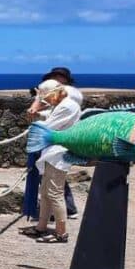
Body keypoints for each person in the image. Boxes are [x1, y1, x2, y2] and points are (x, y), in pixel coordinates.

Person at [20, 80, 81, 243]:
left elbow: (49, 126)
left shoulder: (67, 106)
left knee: (54, 193)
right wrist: (39, 113)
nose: (46, 102)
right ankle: (41, 226)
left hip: (58, 153)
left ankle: (61, 233)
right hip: (53, 153)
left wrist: (36, 116)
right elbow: (51, 116)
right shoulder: (63, 104)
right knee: (46, 192)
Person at [28, 67, 81, 218]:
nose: (57, 80)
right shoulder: (60, 97)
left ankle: (61, 221)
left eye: (60, 78)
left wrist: (37, 103)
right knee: (53, 180)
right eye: (55, 77)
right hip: (52, 142)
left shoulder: (67, 100)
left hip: (57, 142)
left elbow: (50, 121)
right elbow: (48, 110)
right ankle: (62, 211)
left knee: (54, 181)